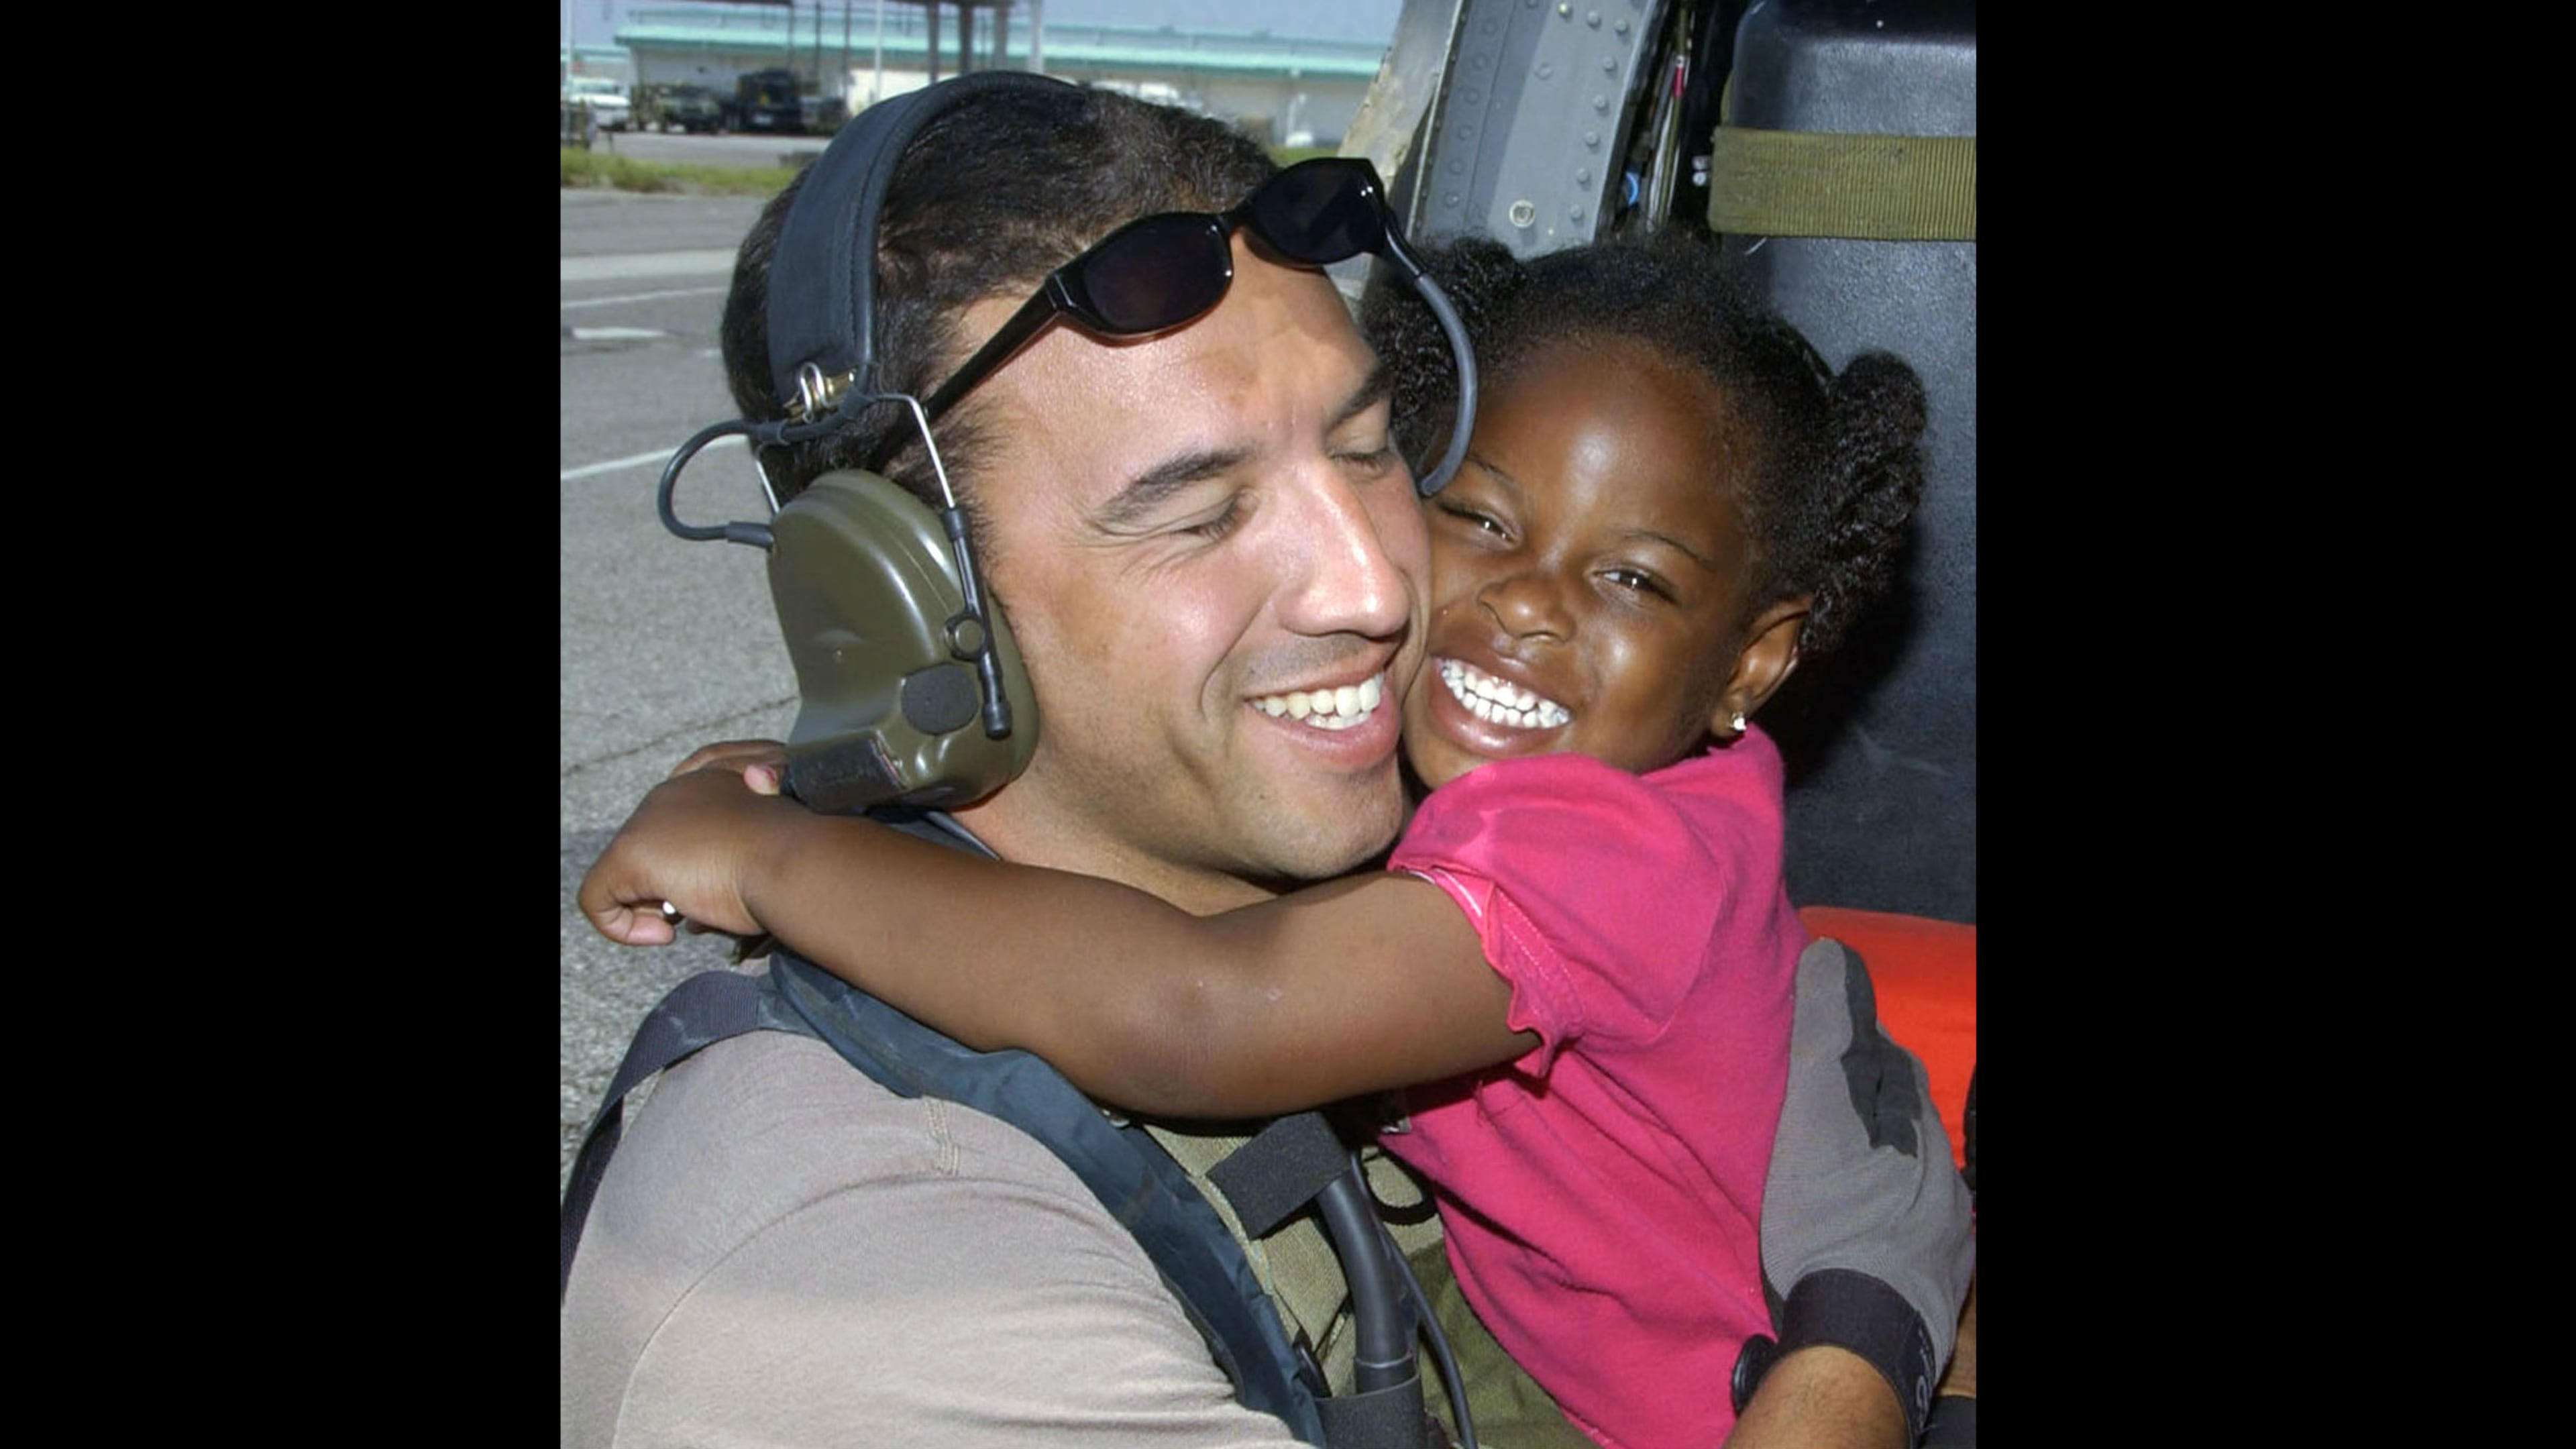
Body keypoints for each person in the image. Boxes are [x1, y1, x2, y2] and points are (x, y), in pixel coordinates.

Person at [561, 73, 1969, 1449]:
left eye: (1370, 456)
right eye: (1200, 512)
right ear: (897, 609)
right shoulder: (869, 1281)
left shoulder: (1451, 845)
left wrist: (1863, 1295)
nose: (1377, 584)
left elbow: (1787, 1029)